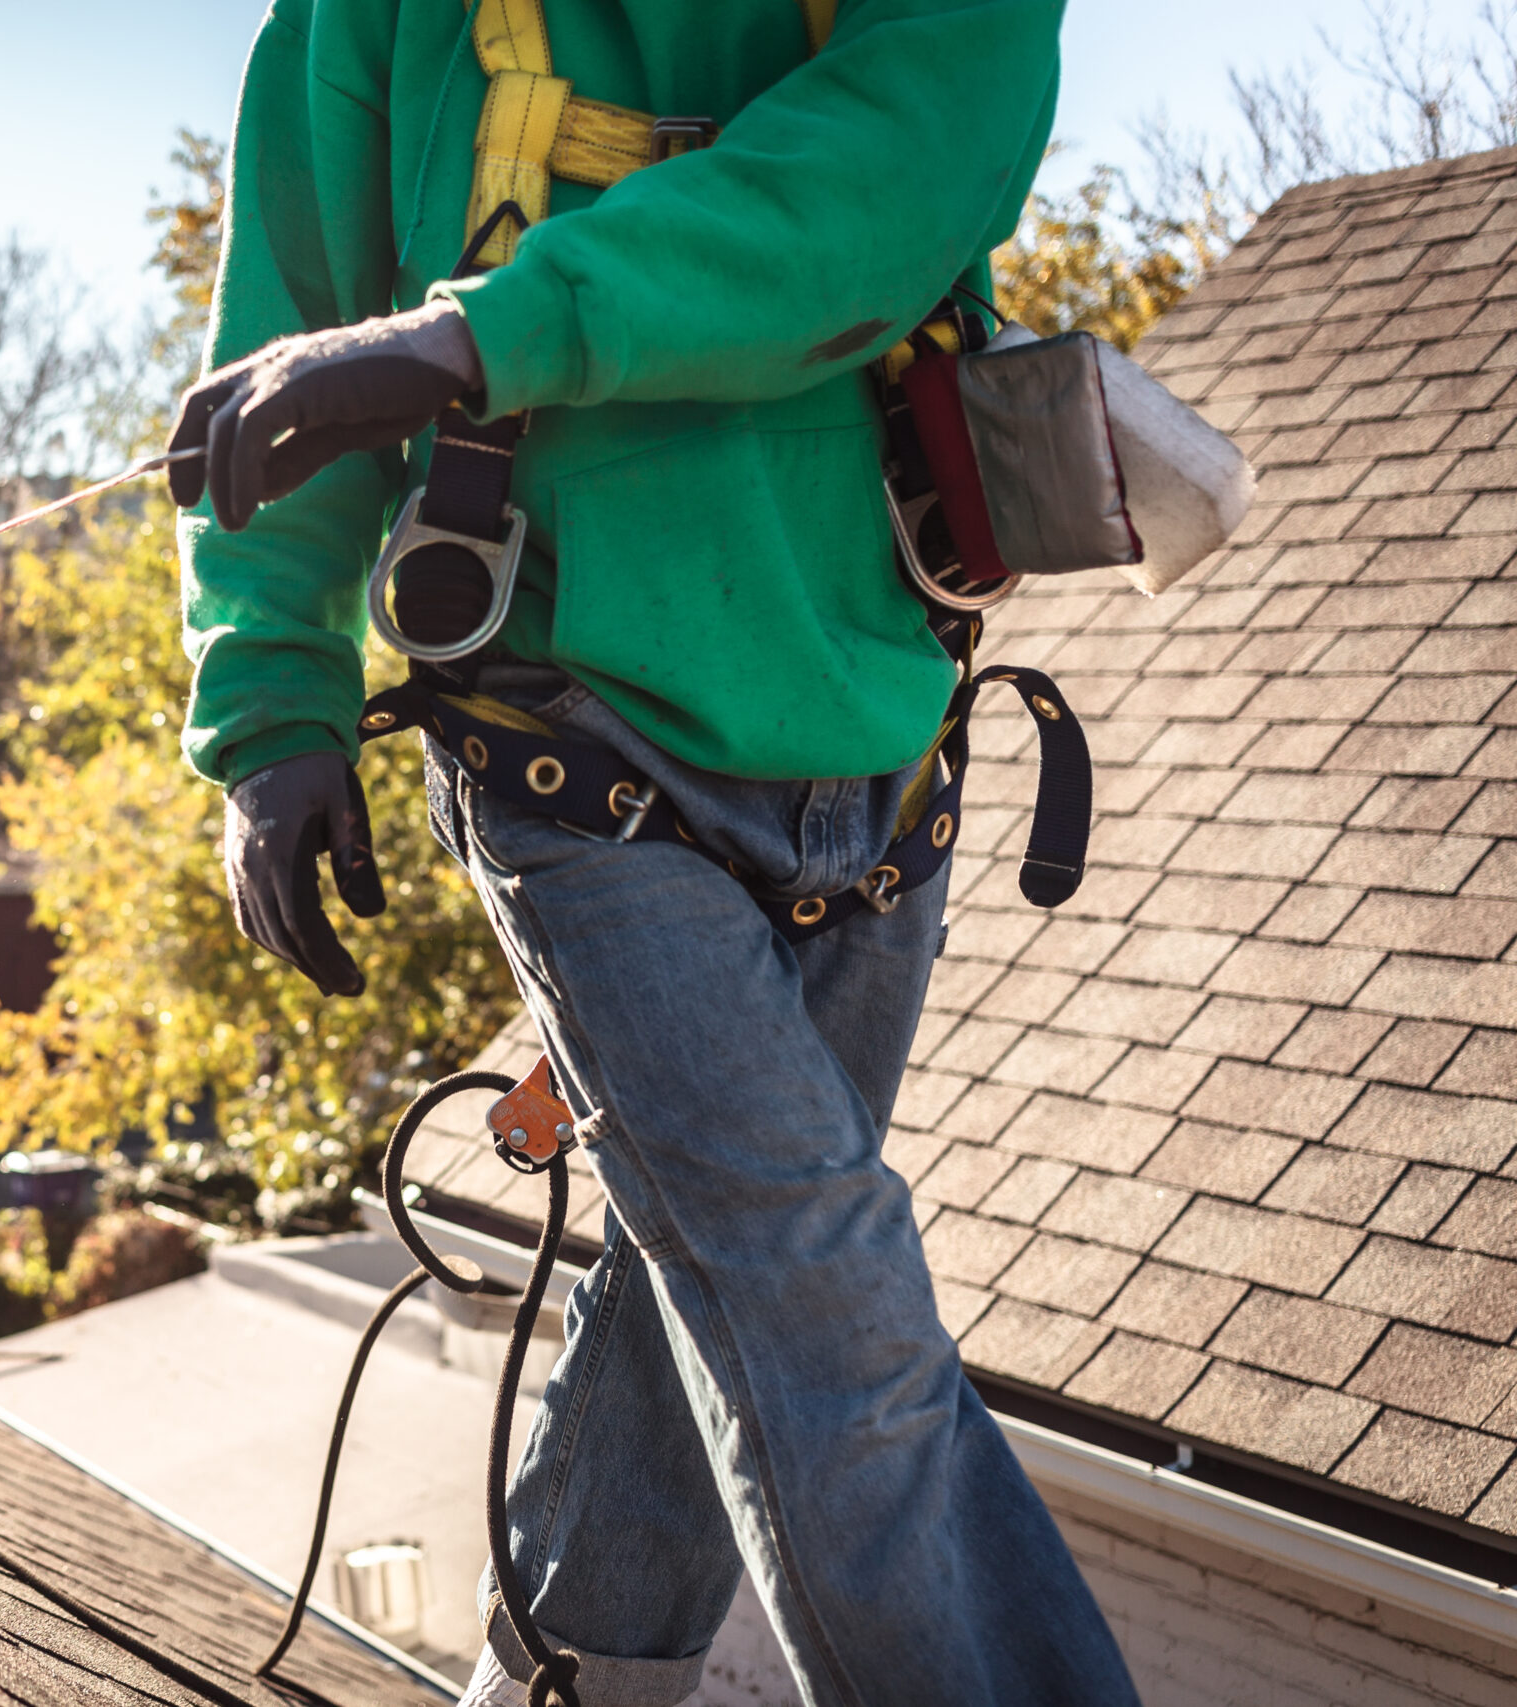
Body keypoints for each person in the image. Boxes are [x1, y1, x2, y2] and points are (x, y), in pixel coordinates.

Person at [172, 2, 1138, 1703]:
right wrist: (271, 706)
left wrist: (478, 338)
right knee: (815, 1300)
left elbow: (896, 161)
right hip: (571, 736)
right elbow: (294, 334)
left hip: (876, 748)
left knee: (700, 1288)